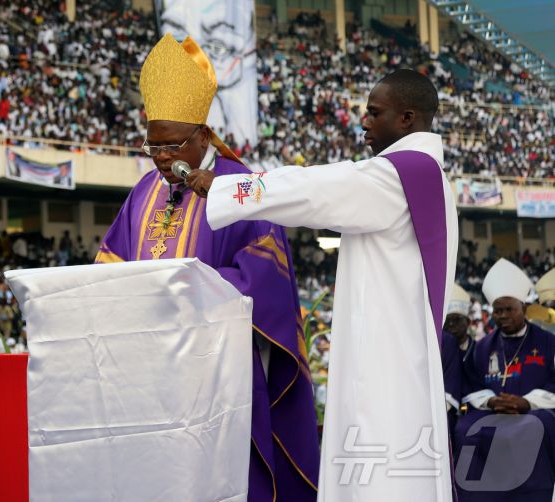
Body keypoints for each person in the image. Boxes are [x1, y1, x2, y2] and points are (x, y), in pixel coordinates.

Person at [187, 68, 458, 501]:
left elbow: (317, 189)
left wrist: (229, 188)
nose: (364, 121)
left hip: (385, 370)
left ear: (407, 118)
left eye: (374, 112)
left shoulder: (400, 175)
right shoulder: (427, 176)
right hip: (395, 357)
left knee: (381, 475)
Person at [95, 33, 319, 501]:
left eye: (172, 146)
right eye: (152, 146)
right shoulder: (144, 191)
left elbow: (265, 284)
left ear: (202, 136)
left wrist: (184, 288)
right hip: (151, 367)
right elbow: (109, 263)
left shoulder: (241, 187)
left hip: (218, 370)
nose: (160, 158)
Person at [456, 258, 555, 501]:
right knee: (464, 427)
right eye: (498, 310)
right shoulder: (482, 347)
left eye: (509, 309)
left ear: (522, 307)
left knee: (543, 424)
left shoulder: (548, 342)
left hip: (535, 412)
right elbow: (470, 384)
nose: (502, 316)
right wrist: (491, 402)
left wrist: (526, 403)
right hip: (493, 414)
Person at [442, 284, 475, 438]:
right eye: (447, 321)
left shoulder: (479, 349)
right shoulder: (441, 350)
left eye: (456, 320)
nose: (451, 325)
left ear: (468, 322)